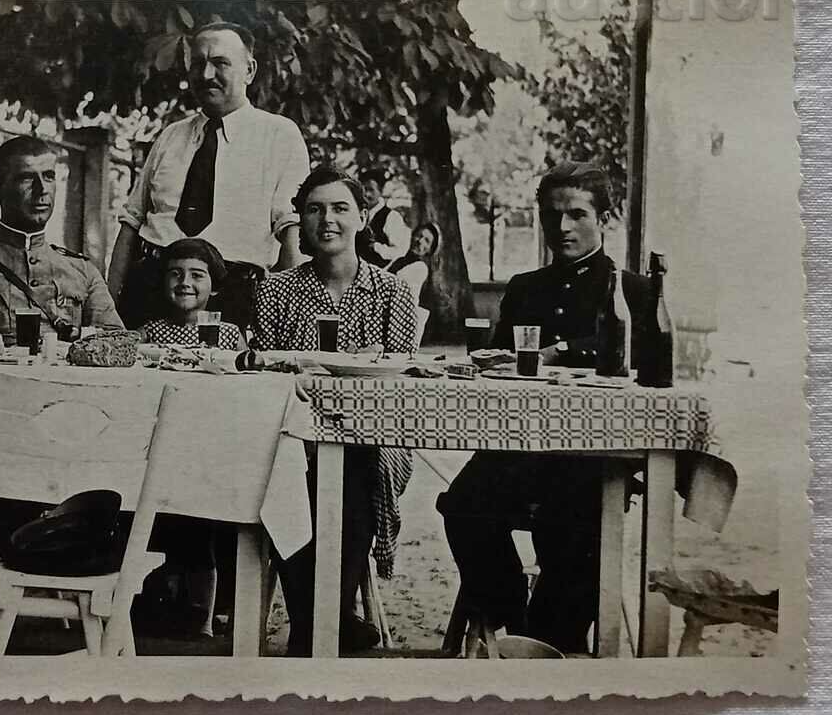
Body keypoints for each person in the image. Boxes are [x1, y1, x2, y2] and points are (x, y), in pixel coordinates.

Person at [436, 161, 651, 654]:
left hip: (592, 459)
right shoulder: (526, 288)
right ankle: (511, 621)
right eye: (552, 215)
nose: (562, 227)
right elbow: (499, 368)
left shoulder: (633, 291)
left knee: (575, 529)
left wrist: (561, 352)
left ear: (605, 217)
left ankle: (551, 642)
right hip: (517, 453)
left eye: (577, 214)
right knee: (463, 506)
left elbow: (649, 363)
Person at [253, 166, 418, 656]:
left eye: (340, 208)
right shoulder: (276, 290)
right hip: (293, 438)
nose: (328, 219)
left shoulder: (392, 292)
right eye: (315, 209)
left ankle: (315, 625)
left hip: (372, 437)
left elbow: (400, 380)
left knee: (355, 469)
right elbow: (268, 376)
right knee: (286, 472)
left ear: (362, 218)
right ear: (300, 221)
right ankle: (327, 624)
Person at [107, 21, 311, 332]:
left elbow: (290, 230)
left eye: (220, 63)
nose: (205, 75)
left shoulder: (280, 135)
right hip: (149, 290)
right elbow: (131, 222)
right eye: (198, 64)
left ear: (249, 70)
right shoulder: (171, 136)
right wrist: (108, 310)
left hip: (231, 297)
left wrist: (290, 316)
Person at [137, 237, 244, 638]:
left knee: (205, 524)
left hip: (212, 448)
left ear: (213, 286)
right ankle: (155, 600)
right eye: (175, 274)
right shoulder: (148, 333)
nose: (185, 282)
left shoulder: (228, 333)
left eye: (197, 275)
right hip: (158, 449)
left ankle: (204, 612)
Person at [0, 135, 124, 344]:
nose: (42, 189)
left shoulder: (82, 271)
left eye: (48, 177)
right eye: (26, 178)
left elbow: (116, 340)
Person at [359, 166, 410, 267]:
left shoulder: (392, 217)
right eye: (364, 189)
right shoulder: (357, 214)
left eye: (371, 190)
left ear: (380, 191)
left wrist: (376, 247)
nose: (367, 194)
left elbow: (399, 252)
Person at [387, 221, 440, 301]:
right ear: (413, 236)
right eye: (419, 236)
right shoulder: (400, 258)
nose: (420, 241)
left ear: (429, 250)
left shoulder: (420, 268)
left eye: (426, 241)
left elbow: (395, 283)